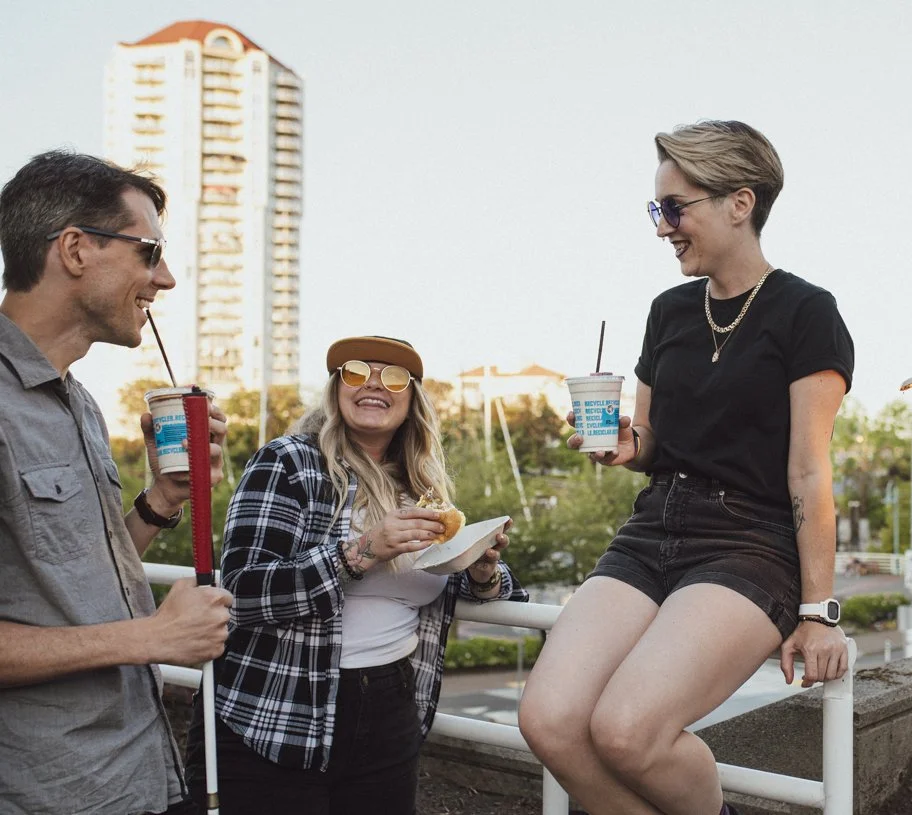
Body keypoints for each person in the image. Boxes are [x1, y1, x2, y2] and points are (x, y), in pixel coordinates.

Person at [519, 121, 855, 815]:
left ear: (740, 202)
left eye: (675, 208)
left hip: (749, 543)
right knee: (547, 721)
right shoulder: (668, 310)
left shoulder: (806, 312)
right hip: (653, 528)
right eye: (657, 209)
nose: (662, 227)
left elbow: (809, 474)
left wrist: (818, 612)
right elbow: (653, 440)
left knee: (627, 730)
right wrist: (624, 443)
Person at [188, 335, 527, 815]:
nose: (373, 384)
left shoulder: (421, 489)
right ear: (335, 388)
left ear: (411, 400)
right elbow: (244, 590)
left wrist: (482, 570)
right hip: (284, 705)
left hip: (391, 707)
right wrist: (362, 551)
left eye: (392, 376)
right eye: (354, 372)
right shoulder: (287, 462)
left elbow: (460, 586)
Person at [0, 150, 232, 815]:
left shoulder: (78, 403)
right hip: (50, 791)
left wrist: (161, 500)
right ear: (74, 249)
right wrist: (153, 638)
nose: (167, 278)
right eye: (149, 251)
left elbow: (67, 574)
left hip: (137, 772)